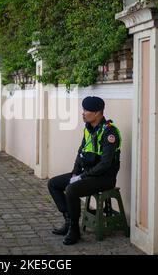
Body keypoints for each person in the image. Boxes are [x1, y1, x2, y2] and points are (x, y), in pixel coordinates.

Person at [47, 96, 122, 245]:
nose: (83, 113)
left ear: (97, 113)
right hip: (86, 174)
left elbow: (105, 164)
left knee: (71, 190)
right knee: (53, 184)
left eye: (86, 110)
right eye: (83, 109)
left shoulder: (109, 132)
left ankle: (74, 230)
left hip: (104, 178)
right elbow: (80, 152)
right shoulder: (88, 129)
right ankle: (68, 220)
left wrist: (83, 176)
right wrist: (75, 172)